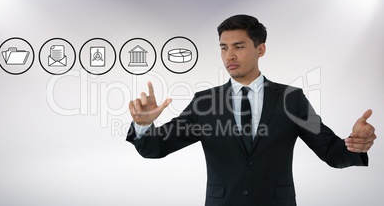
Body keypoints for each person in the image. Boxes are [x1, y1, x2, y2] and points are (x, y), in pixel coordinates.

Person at [126, 14, 376, 206]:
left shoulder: (292, 99)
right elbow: (156, 148)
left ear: (260, 49)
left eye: (239, 46)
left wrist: (355, 143)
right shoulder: (205, 103)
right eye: (224, 48)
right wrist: (143, 124)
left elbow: (331, 151)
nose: (229, 56)